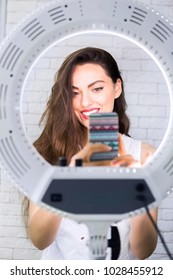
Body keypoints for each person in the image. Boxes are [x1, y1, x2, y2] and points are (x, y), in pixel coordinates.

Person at [27, 47, 158, 260]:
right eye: (75, 92)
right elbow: (40, 239)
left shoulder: (144, 156)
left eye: (96, 89)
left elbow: (143, 251)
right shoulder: (47, 154)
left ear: (117, 88)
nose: (85, 103)